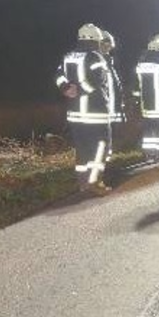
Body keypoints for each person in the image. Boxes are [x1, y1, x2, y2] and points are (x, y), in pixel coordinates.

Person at [54, 23, 116, 195]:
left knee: (82, 148)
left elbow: (58, 75)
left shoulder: (68, 56)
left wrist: (66, 88)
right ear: (95, 39)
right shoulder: (96, 57)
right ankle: (95, 182)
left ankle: (82, 183)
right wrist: (80, 90)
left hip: (75, 114)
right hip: (95, 113)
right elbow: (98, 81)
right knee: (101, 146)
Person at [99, 30, 127, 155]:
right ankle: (103, 160)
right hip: (99, 109)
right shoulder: (97, 61)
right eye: (105, 45)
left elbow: (114, 86)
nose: (108, 48)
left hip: (109, 108)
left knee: (108, 134)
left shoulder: (108, 62)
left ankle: (106, 159)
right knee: (101, 135)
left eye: (109, 46)